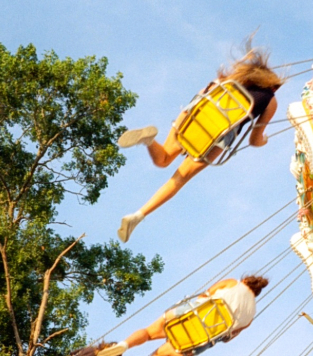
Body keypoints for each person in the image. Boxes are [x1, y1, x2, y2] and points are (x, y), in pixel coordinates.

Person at [115, 45, 283, 243]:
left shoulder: (225, 81)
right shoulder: (270, 101)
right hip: (219, 136)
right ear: (271, 84)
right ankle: (138, 215)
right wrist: (264, 141)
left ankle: (149, 140)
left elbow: (199, 97)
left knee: (163, 159)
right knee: (180, 178)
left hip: (195, 117)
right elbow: (254, 140)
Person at [98, 275, 269, 356]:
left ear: (246, 280)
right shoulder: (250, 316)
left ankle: (124, 345)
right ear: (256, 293)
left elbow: (206, 293)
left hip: (189, 316)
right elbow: (228, 338)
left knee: (150, 332)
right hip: (199, 339)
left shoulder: (233, 283)